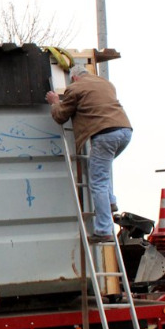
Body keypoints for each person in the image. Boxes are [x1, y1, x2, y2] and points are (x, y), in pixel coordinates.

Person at [45, 64, 132, 243]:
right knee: (101, 168)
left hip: (105, 134)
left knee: (98, 181)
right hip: (125, 131)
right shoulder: (106, 84)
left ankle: (104, 230)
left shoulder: (75, 88)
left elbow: (61, 116)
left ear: (74, 78)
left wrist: (55, 102)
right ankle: (110, 201)